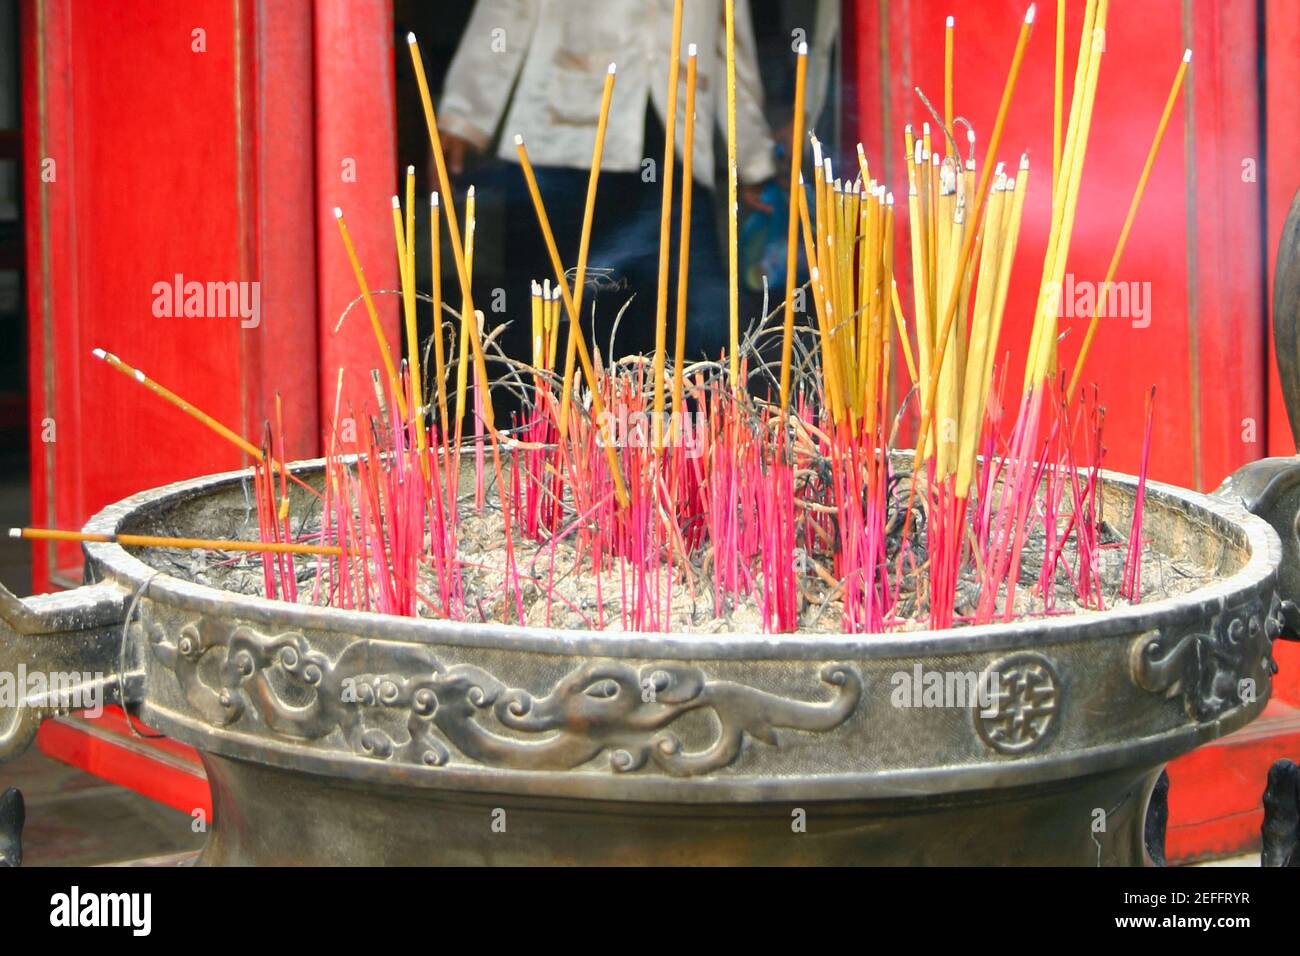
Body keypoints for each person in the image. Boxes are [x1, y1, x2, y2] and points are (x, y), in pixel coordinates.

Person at [436, 0, 778, 361]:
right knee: (554, 321)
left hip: (676, 141)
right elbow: (509, 8)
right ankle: (548, 416)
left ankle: (670, 417)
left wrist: (752, 157)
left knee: (689, 328)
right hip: (568, 137)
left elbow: (730, 39)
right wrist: (465, 112)